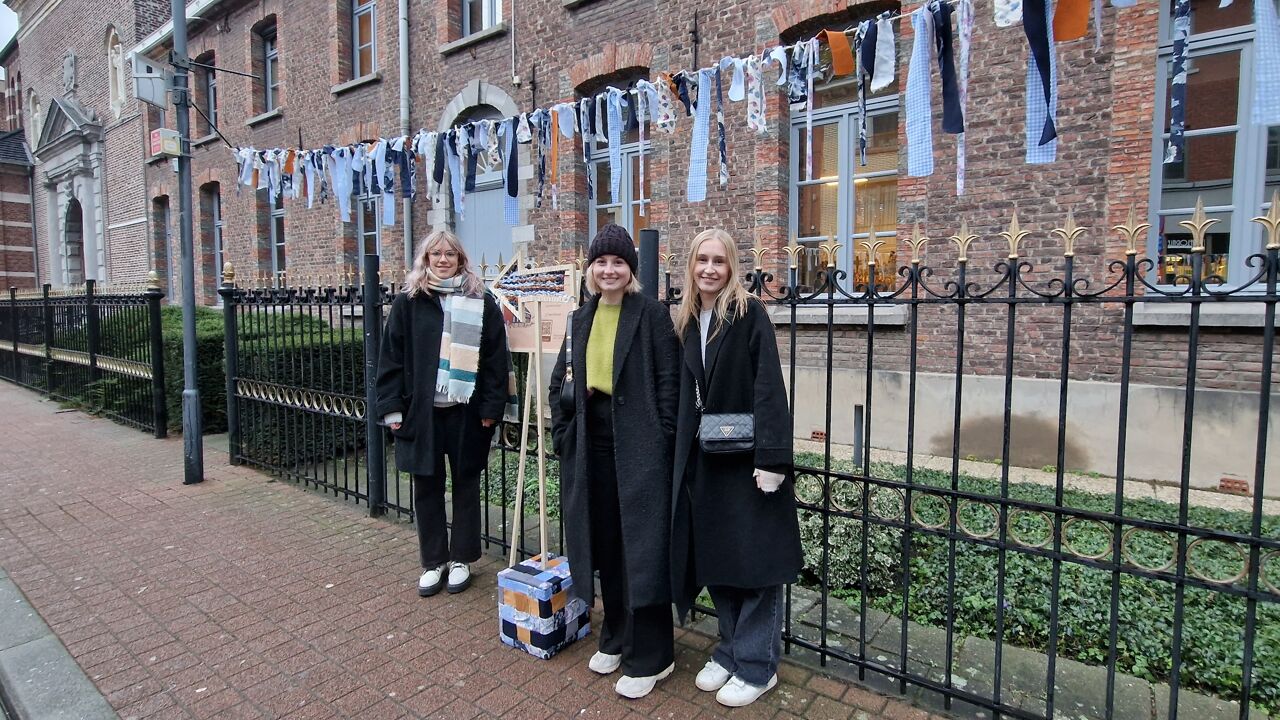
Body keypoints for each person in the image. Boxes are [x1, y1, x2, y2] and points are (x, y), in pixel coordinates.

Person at [670, 228, 802, 708]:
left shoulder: (750, 314)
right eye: (701, 259)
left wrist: (772, 459)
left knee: (756, 566)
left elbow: (769, 386)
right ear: (691, 265)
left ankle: (757, 665)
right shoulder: (686, 320)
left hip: (746, 461)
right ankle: (728, 651)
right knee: (720, 563)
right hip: (707, 461)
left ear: (731, 268)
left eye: (718, 261)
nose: (709, 269)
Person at [548, 224, 680, 699]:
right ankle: (616, 634)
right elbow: (558, 385)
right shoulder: (579, 318)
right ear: (590, 269)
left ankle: (653, 655)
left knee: (639, 552)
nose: (609, 270)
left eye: (618, 263)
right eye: (601, 262)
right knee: (606, 548)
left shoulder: (651, 315)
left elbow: (670, 387)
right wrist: (565, 437)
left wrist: (661, 442)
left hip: (640, 449)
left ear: (631, 270)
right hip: (592, 447)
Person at [375, 230, 512, 597]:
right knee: (427, 486)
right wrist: (392, 409)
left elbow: (497, 359)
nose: (443, 260)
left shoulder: (480, 301)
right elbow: (390, 357)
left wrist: (491, 409)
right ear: (426, 259)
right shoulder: (409, 301)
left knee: (466, 483)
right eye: (436, 254)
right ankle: (433, 561)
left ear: (461, 259)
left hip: (465, 410)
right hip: (423, 413)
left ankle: (462, 558)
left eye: (450, 254)